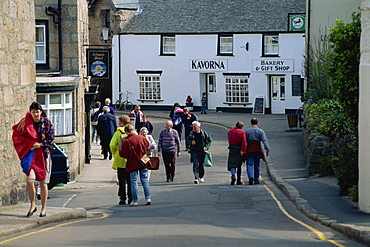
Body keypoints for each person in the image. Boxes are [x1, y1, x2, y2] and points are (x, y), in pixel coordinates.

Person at [12, 102, 55, 217]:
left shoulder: (46, 122)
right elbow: (18, 135)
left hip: (44, 155)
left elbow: (51, 139)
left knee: (43, 183)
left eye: (37, 111)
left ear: (41, 111)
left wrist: (40, 144)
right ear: (30, 113)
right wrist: (30, 144)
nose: (35, 114)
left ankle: (44, 208)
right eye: (33, 112)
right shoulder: (26, 122)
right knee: (29, 180)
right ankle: (33, 205)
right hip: (30, 155)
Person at [120, 124, 152, 206]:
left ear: (127, 132)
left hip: (132, 163)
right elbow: (147, 145)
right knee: (144, 180)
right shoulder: (141, 137)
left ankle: (135, 200)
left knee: (134, 181)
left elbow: (123, 154)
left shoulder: (126, 141)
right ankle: (148, 198)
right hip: (143, 161)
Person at [109, 115, 132, 205]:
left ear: (122, 122)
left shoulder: (118, 133)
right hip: (130, 161)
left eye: (119, 122)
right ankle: (131, 198)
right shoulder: (133, 132)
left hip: (120, 159)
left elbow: (112, 145)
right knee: (130, 181)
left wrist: (115, 154)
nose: (118, 123)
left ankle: (122, 198)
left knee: (122, 180)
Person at [245, 118, 270, 185]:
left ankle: (250, 177)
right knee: (257, 165)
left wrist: (243, 150)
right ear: (257, 123)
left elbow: (244, 142)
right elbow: (265, 141)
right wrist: (267, 150)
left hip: (250, 149)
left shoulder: (247, 131)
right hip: (257, 149)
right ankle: (256, 179)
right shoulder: (261, 131)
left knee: (249, 164)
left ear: (251, 123)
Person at [227, 121, 247, 185]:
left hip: (232, 148)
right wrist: (243, 150)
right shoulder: (242, 132)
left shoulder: (230, 131)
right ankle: (239, 180)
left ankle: (233, 176)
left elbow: (229, 140)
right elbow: (244, 142)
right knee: (239, 165)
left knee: (232, 164)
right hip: (239, 149)